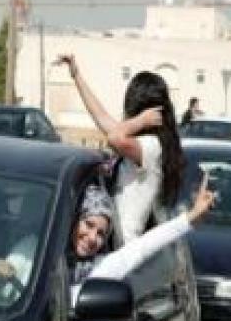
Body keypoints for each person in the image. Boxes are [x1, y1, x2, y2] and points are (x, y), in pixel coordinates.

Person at [0, 178, 214, 305]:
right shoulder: (34, 249)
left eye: (100, 234)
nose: (92, 238)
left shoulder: (98, 269)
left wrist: (190, 219)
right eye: (88, 225)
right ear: (73, 220)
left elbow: (141, 248)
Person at [56, 55, 185, 244]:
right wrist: (76, 75)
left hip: (125, 246)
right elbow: (101, 117)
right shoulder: (137, 140)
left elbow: (114, 138)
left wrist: (140, 120)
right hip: (114, 243)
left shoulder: (152, 146)